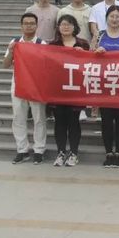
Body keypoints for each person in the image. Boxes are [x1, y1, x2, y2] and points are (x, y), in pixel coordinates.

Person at [92, 5, 119, 168]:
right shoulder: (99, 36)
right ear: (107, 18)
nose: (114, 19)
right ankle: (108, 152)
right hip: (104, 85)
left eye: (117, 17)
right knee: (106, 120)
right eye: (112, 16)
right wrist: (97, 52)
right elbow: (88, 57)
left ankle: (118, 153)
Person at [3, 12, 47, 164]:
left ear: (36, 26)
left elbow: (46, 67)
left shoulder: (42, 44)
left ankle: (39, 150)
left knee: (39, 118)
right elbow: (5, 64)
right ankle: (22, 150)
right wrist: (11, 51)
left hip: (36, 85)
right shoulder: (15, 42)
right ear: (21, 26)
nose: (29, 26)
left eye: (32, 23)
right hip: (18, 84)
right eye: (26, 23)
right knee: (18, 117)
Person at [49, 14, 89, 167]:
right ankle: (60, 152)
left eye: (69, 24)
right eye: (63, 24)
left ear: (74, 27)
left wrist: (83, 54)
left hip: (76, 89)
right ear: (58, 27)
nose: (65, 27)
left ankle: (73, 153)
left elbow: (90, 64)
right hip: (57, 88)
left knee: (73, 121)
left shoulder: (82, 43)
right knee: (59, 121)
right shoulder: (53, 45)